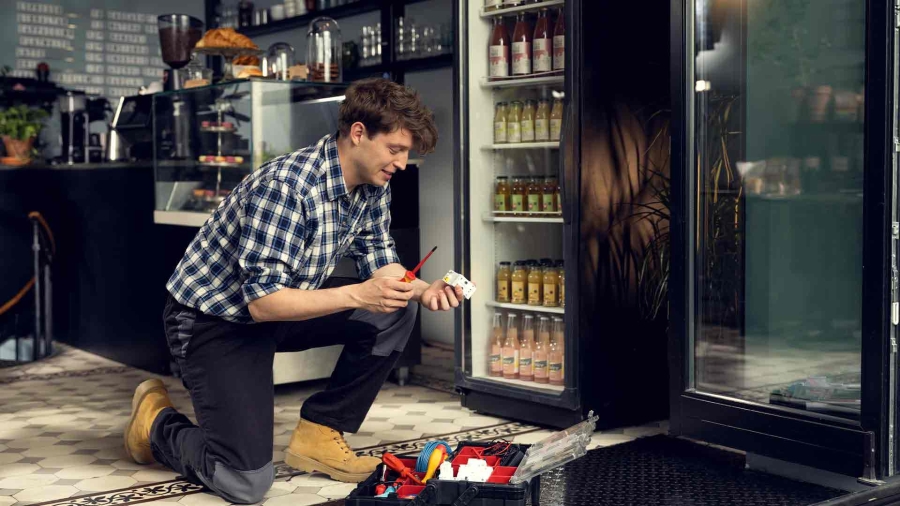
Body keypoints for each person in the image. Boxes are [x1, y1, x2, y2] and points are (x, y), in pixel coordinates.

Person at [123, 78, 461, 504]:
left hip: (282, 306)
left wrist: (420, 291)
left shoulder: (374, 185)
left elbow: (379, 257)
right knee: (244, 482)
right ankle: (155, 422)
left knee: (393, 310)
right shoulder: (287, 186)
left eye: (406, 152)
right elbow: (264, 303)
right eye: (394, 149)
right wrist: (359, 294)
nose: (400, 162)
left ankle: (318, 434)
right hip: (215, 322)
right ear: (358, 133)